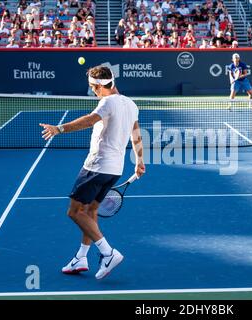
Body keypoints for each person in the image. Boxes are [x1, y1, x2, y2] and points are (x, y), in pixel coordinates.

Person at [39, 65, 146, 280]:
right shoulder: (131, 104)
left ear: (99, 86)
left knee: (75, 211)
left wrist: (59, 129)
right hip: (116, 169)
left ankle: (108, 253)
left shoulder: (106, 102)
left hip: (96, 167)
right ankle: (81, 257)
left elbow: (89, 120)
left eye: (92, 86)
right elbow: (136, 135)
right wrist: (139, 161)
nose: (91, 90)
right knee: (91, 212)